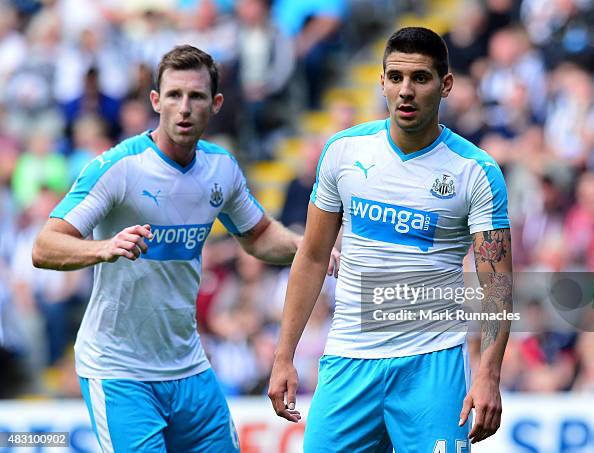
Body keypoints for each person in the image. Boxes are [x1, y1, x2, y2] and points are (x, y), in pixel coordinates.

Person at [32, 45, 338, 452]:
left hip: (188, 367)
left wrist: (308, 248)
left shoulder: (221, 169)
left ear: (215, 104)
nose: (184, 107)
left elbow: (259, 236)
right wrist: (103, 248)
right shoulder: (119, 168)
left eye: (196, 96)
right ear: (156, 101)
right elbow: (44, 246)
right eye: (174, 95)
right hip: (119, 371)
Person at [268, 27, 513, 452]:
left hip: (432, 365)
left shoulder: (476, 171)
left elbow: (497, 283)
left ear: (445, 85)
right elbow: (311, 256)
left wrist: (488, 374)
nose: (406, 90)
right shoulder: (344, 152)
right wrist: (284, 354)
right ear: (381, 81)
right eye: (395, 77)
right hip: (349, 361)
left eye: (420, 78)